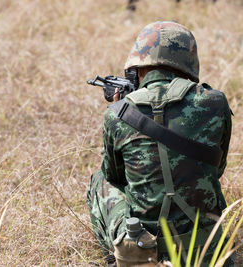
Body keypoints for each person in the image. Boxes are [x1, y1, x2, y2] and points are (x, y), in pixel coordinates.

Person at [87, 21, 234, 266]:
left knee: (98, 182)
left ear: (138, 66)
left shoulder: (117, 113)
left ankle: (120, 255)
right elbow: (217, 170)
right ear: (188, 62)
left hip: (146, 250)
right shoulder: (216, 102)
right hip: (206, 252)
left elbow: (115, 177)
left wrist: (120, 109)